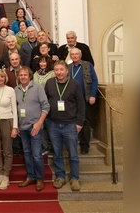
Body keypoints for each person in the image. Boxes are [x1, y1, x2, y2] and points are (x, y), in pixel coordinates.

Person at [44, 60, 85, 192]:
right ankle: (60, 176)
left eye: (61, 70)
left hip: (70, 124)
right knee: (57, 153)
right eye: (56, 70)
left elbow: (81, 105)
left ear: (67, 71)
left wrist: (79, 123)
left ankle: (74, 178)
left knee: (73, 154)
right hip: (53, 123)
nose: (59, 72)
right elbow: (45, 102)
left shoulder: (75, 84)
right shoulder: (50, 83)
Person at [15, 67, 49, 192]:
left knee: (36, 155)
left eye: (25, 75)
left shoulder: (38, 88)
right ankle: (30, 176)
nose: (23, 77)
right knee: (27, 154)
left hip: (35, 126)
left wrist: (39, 123)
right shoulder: (16, 89)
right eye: (21, 75)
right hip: (22, 127)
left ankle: (40, 178)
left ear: (30, 76)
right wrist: (17, 125)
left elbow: (46, 106)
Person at [68, 48, 98, 154]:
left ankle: (85, 145)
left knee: (85, 121)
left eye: (77, 54)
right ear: (70, 56)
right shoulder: (68, 67)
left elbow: (94, 80)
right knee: (71, 121)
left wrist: (93, 95)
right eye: (73, 54)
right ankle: (72, 144)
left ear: (80, 55)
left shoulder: (87, 65)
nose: (75, 56)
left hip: (85, 98)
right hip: (71, 100)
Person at [33, 55, 55, 155]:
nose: (42, 64)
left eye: (44, 62)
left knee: (50, 126)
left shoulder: (52, 73)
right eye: (40, 62)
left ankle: (53, 146)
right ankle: (44, 146)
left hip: (49, 102)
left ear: (48, 63)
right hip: (38, 104)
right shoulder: (35, 74)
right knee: (41, 126)